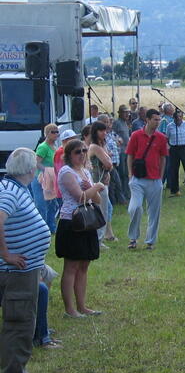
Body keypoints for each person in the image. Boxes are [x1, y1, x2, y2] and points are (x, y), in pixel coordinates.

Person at [0, 148, 51, 373]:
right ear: (30, 169)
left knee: (23, 322)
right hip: (16, 272)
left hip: (25, 269)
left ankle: (18, 369)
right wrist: (6, 254)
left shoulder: (14, 188)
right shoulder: (9, 192)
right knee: (19, 323)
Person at [56, 138, 106, 318]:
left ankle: (82, 306)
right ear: (69, 155)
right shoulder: (66, 172)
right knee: (71, 266)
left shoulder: (85, 172)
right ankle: (70, 309)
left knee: (84, 265)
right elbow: (80, 197)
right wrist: (98, 186)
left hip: (87, 221)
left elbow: (97, 200)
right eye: (78, 152)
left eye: (84, 150)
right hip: (72, 222)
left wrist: (93, 187)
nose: (83, 154)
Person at [126, 109, 168, 250]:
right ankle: (133, 238)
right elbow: (130, 155)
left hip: (155, 179)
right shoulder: (136, 135)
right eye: (155, 120)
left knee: (154, 212)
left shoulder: (161, 138)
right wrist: (130, 174)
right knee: (135, 207)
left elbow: (163, 158)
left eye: (159, 120)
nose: (157, 122)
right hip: (138, 179)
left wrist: (161, 178)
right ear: (147, 120)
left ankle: (150, 241)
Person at [87, 122, 117, 243]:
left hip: (103, 183)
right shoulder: (95, 147)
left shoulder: (101, 145)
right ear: (95, 132)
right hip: (98, 183)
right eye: (101, 131)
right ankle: (98, 240)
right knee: (101, 211)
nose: (104, 133)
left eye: (105, 130)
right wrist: (109, 166)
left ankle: (103, 237)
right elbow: (109, 164)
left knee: (106, 209)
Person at [32, 123, 60, 233]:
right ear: (47, 134)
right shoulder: (43, 147)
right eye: (53, 132)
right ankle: (40, 229)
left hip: (51, 180)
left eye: (57, 131)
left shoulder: (54, 146)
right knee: (41, 205)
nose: (56, 134)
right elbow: (36, 162)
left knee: (52, 205)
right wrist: (46, 171)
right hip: (40, 179)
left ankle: (51, 227)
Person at [165, 108, 185, 197]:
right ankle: (175, 190)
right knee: (174, 169)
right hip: (174, 149)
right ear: (173, 118)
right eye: (176, 117)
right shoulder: (170, 126)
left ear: (182, 117)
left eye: (180, 117)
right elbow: (166, 138)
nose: (178, 119)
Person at [113, 105, 132, 203]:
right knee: (122, 173)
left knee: (127, 173)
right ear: (119, 113)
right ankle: (121, 196)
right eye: (125, 112)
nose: (127, 114)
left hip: (127, 151)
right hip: (120, 152)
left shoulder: (126, 123)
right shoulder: (117, 123)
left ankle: (127, 193)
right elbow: (113, 135)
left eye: (128, 112)